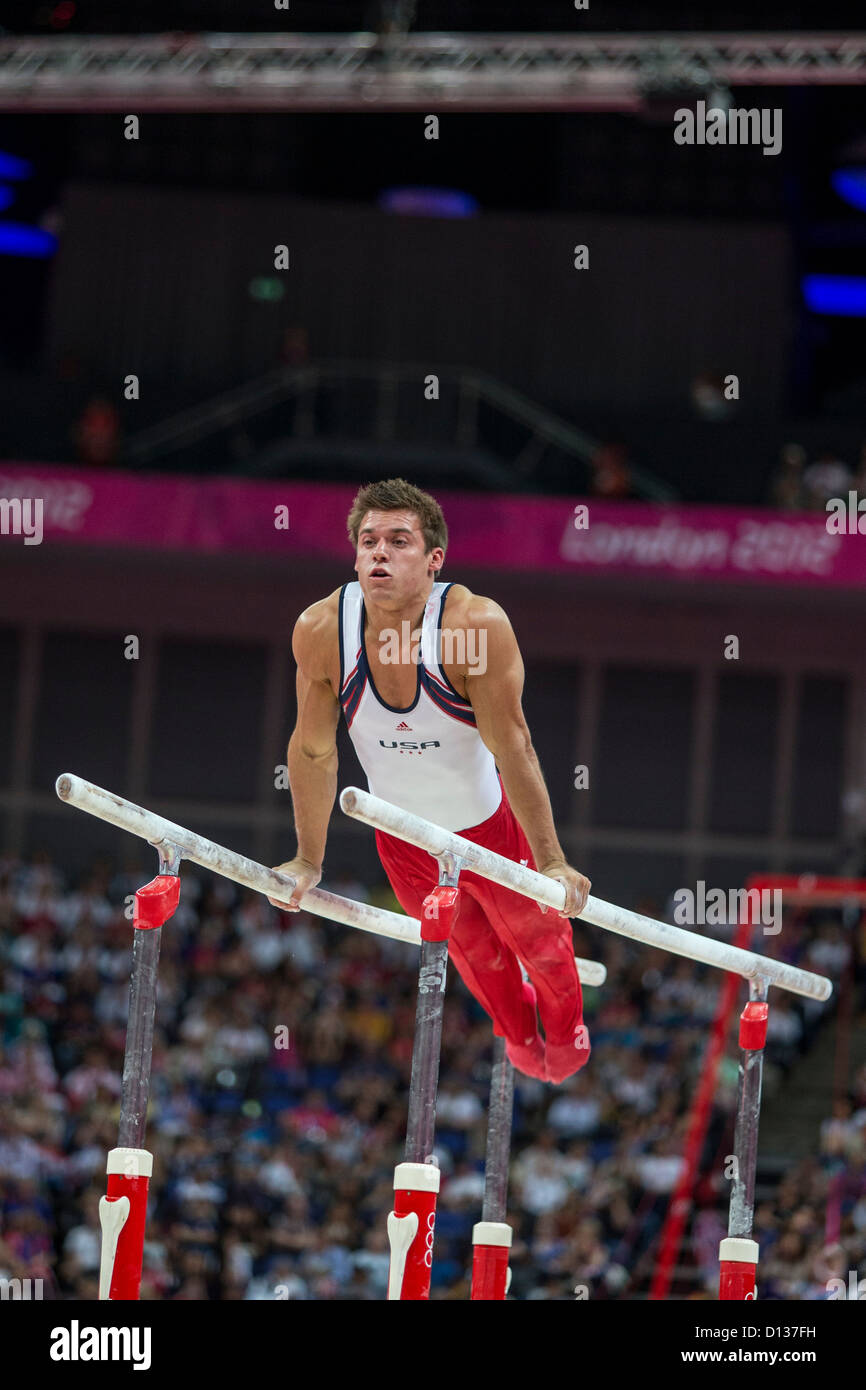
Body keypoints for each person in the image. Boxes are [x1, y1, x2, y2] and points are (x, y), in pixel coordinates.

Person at [269, 476, 591, 1084]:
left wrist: (550, 862)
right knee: (478, 961)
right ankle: (519, 1040)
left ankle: (569, 1037)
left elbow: (512, 744)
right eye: (368, 542)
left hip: (492, 834)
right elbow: (312, 752)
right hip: (404, 842)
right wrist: (307, 861)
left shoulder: (473, 626)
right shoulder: (320, 631)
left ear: (434, 558)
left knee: (541, 948)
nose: (379, 554)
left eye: (399, 541)